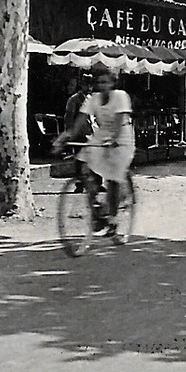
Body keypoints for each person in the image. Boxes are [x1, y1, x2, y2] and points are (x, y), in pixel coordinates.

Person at [52, 64, 135, 243]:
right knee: (83, 164)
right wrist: (66, 138)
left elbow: (120, 121)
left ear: (113, 83)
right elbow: (80, 121)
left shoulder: (121, 96)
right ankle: (97, 206)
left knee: (113, 177)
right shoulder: (92, 99)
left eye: (106, 82)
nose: (102, 86)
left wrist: (113, 139)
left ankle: (113, 221)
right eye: (99, 82)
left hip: (122, 136)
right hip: (101, 135)